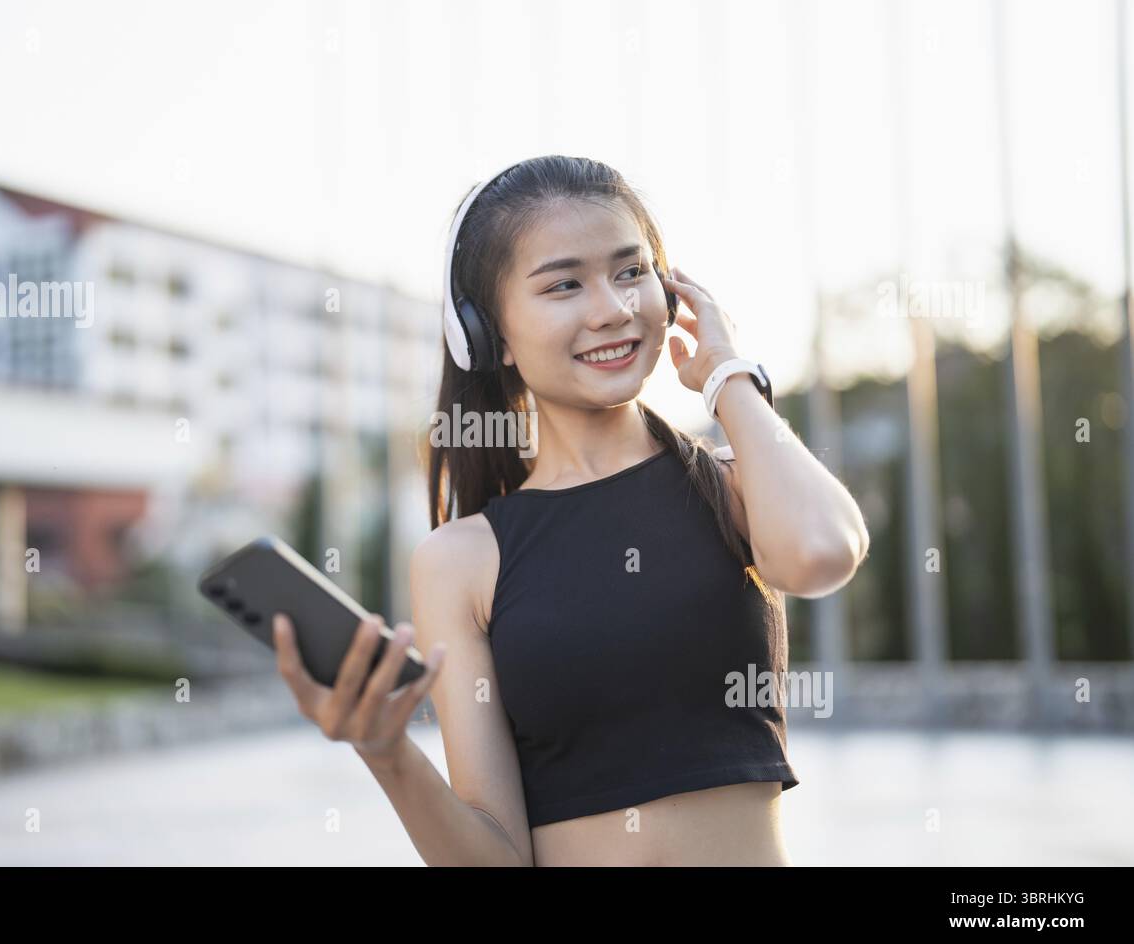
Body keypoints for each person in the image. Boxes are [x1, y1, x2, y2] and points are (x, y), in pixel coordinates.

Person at [272, 155, 870, 866]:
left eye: (630, 272)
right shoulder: (460, 561)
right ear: (487, 333)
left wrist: (727, 376)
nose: (612, 309)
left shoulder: (734, 486)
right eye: (563, 284)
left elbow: (822, 553)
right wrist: (386, 751)